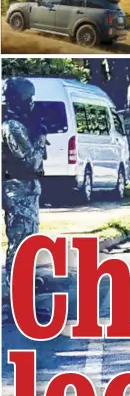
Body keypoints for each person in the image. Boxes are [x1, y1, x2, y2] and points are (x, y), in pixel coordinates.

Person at [2, 77, 48, 324]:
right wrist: (39, 137)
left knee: (27, 247)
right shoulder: (12, 127)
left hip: (25, 191)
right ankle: (18, 308)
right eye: (28, 100)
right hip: (17, 192)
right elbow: (31, 161)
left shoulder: (19, 124)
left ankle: (24, 302)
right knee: (20, 249)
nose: (31, 104)